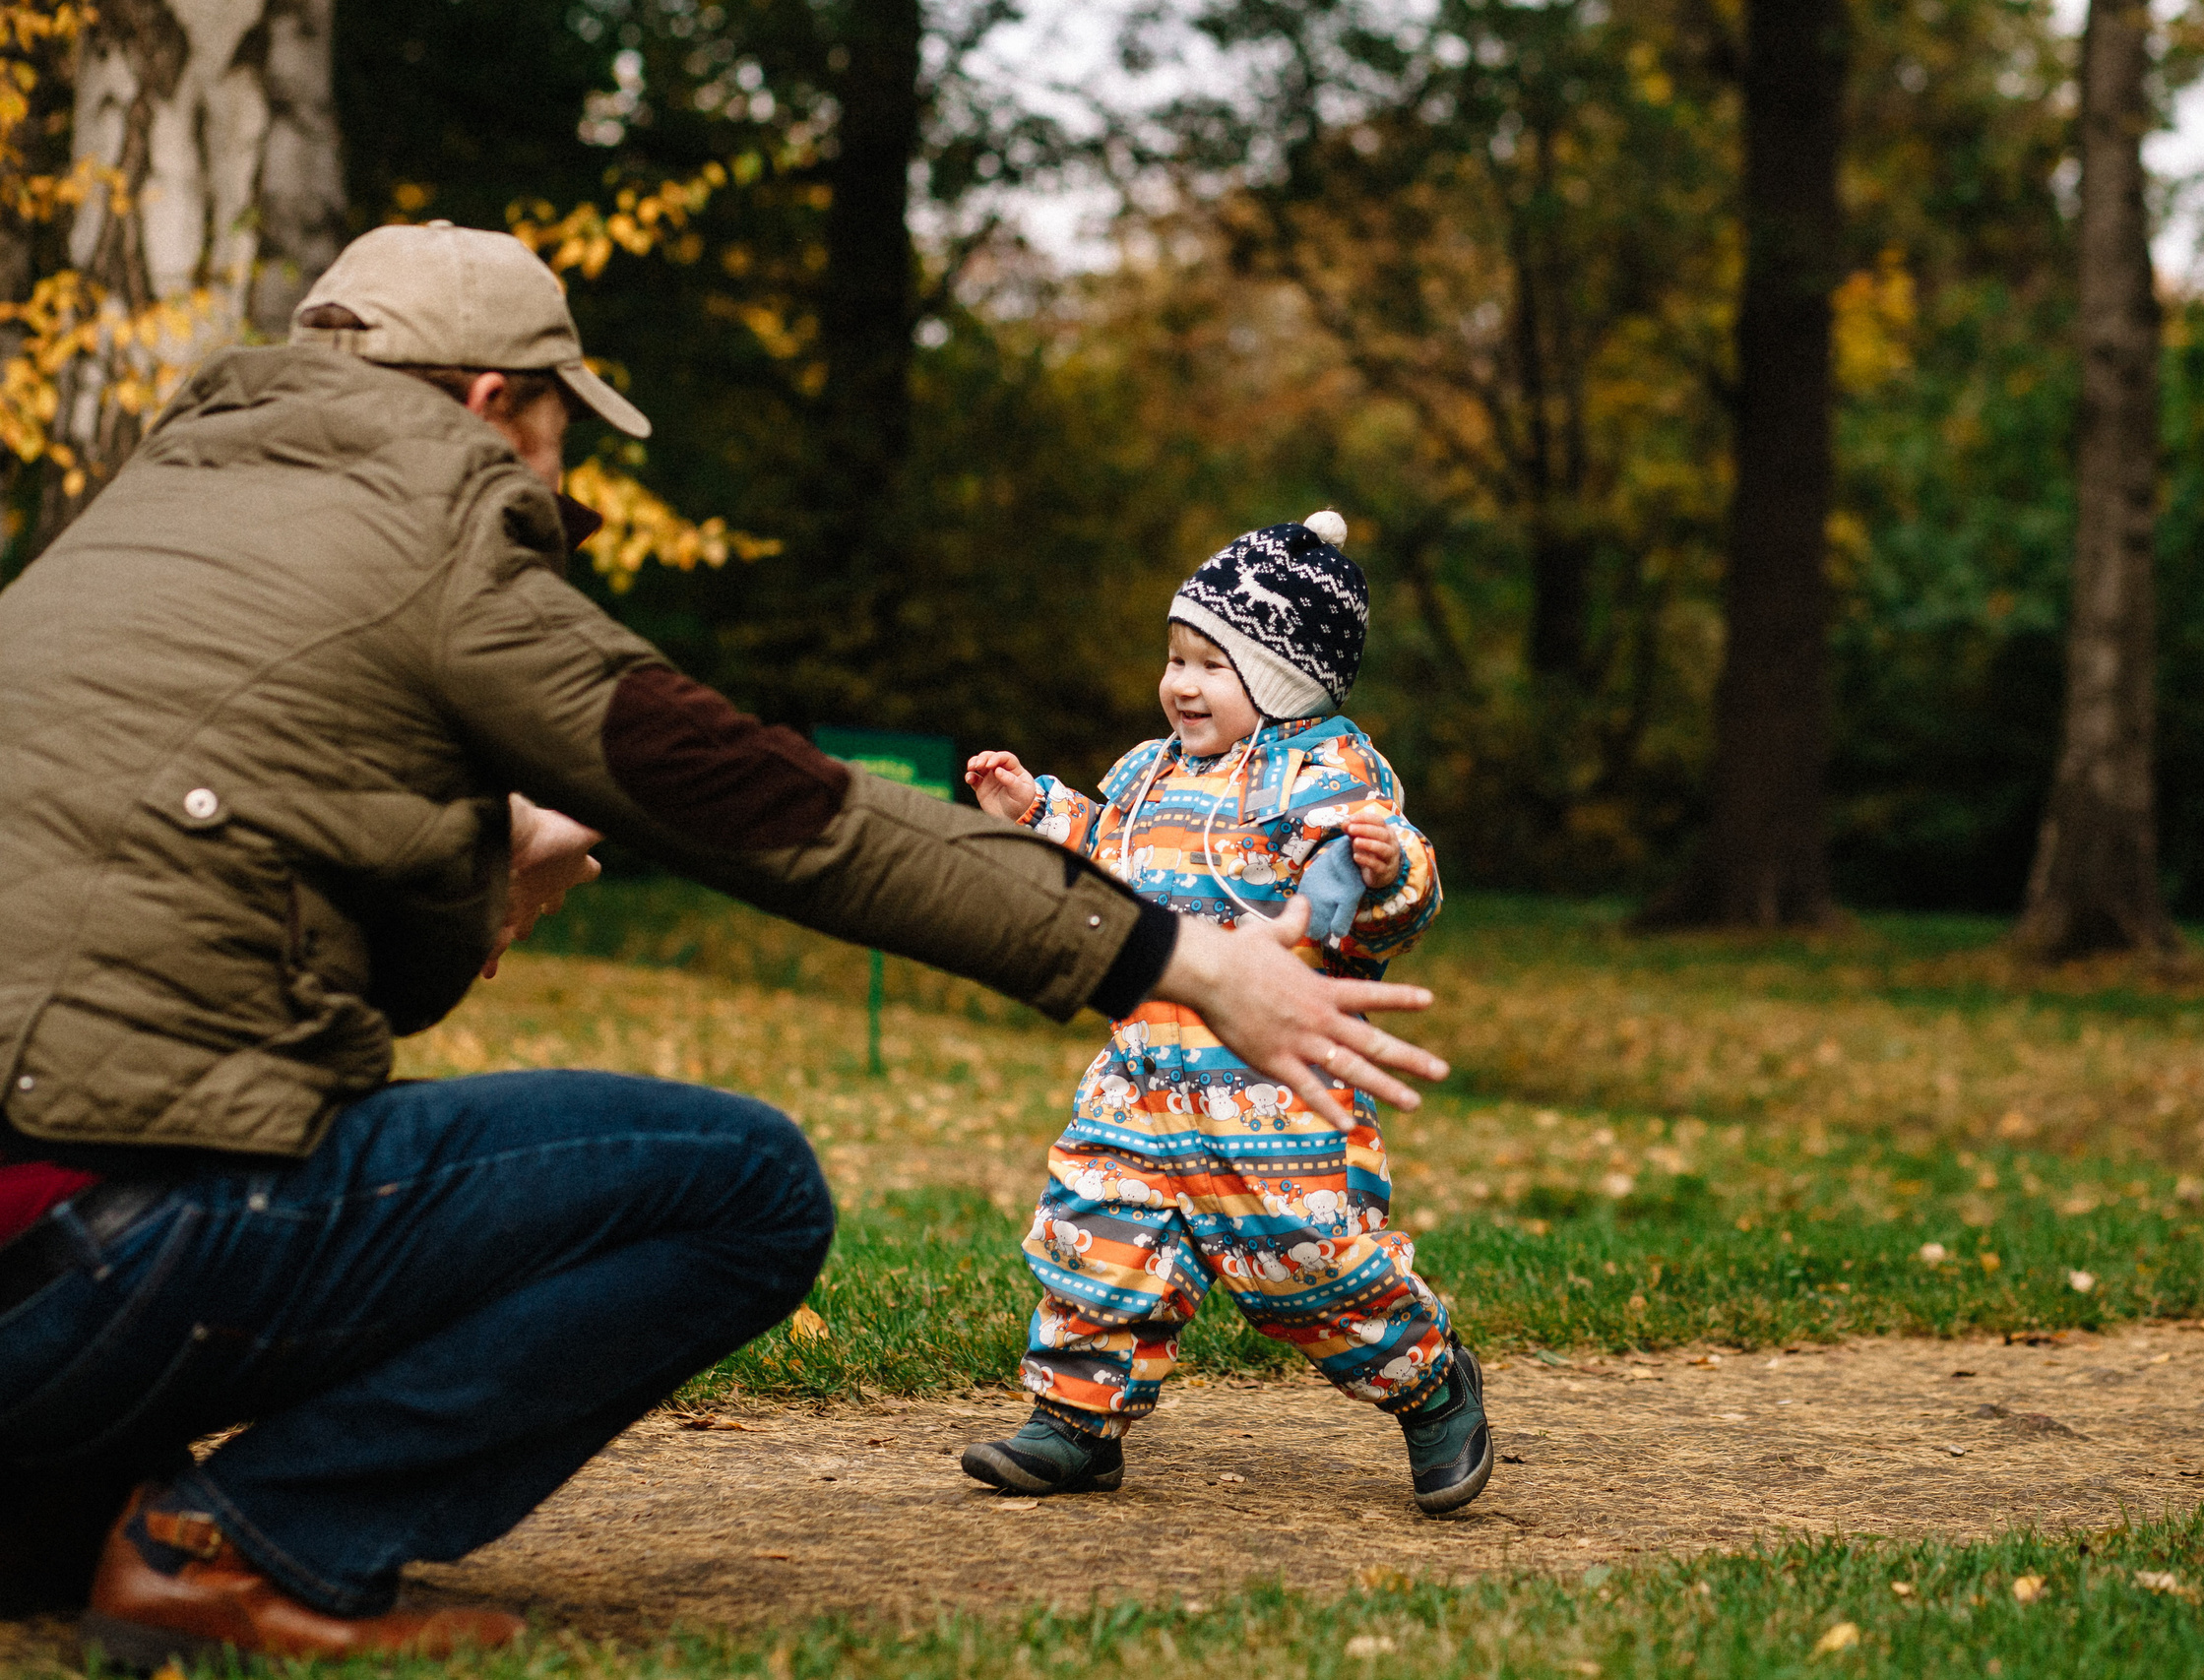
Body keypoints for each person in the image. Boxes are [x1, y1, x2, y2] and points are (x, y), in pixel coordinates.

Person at [0, 224, 1448, 1666]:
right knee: (744, 1187)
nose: (563, 469)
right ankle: (240, 1535)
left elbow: (171, 925)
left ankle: (69, 1501)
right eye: (565, 424)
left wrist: (486, 874)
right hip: (106, 1247)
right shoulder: (434, 539)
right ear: (499, 401)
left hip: (37, 1256)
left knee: (53, 1521)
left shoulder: (126, 526)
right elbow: (781, 810)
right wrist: (1186, 962)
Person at [955, 514, 1491, 1515]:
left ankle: (1431, 1385)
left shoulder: (1325, 773)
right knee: (1097, 1238)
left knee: (1310, 1269)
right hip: (1143, 1080)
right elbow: (1107, 854)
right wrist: (1038, 816)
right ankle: (1074, 1423)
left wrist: (1382, 873)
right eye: (1175, 657)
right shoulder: (1148, 771)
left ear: (1284, 677)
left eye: (1214, 663)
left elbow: (1392, 875)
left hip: (1274, 1094)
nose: (1182, 683)